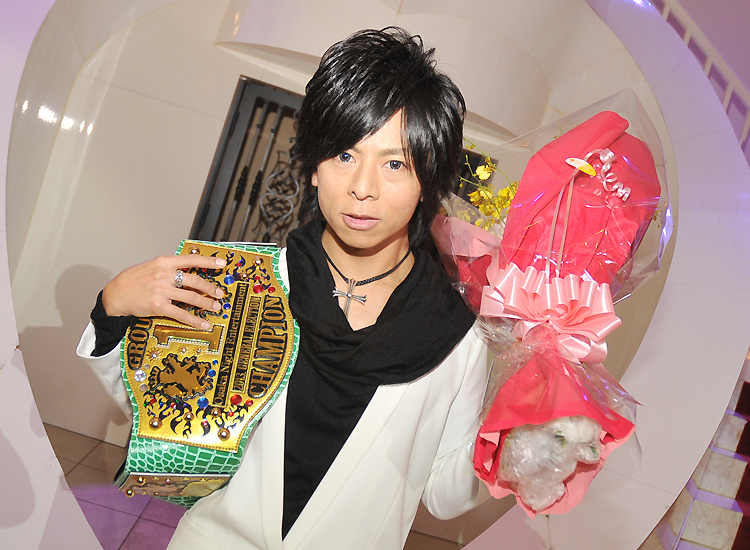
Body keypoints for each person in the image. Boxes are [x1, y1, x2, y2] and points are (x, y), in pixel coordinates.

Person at [77, 27, 491, 550]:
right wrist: (114, 309)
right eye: (344, 156)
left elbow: (447, 495)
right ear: (314, 168)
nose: (362, 188)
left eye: (394, 164)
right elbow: (164, 415)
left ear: (427, 182)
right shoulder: (242, 281)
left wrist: (521, 443)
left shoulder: (459, 338)